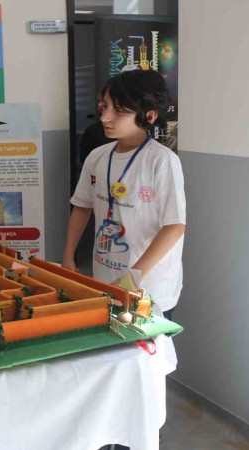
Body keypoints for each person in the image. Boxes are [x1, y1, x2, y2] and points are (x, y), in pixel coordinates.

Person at [62, 70, 186, 320]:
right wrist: (68, 254)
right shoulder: (97, 157)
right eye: (104, 107)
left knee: (146, 345)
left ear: (149, 116)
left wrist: (133, 277)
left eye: (119, 110)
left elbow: (174, 226)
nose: (105, 117)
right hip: (106, 279)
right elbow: (82, 206)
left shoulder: (162, 161)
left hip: (149, 288)